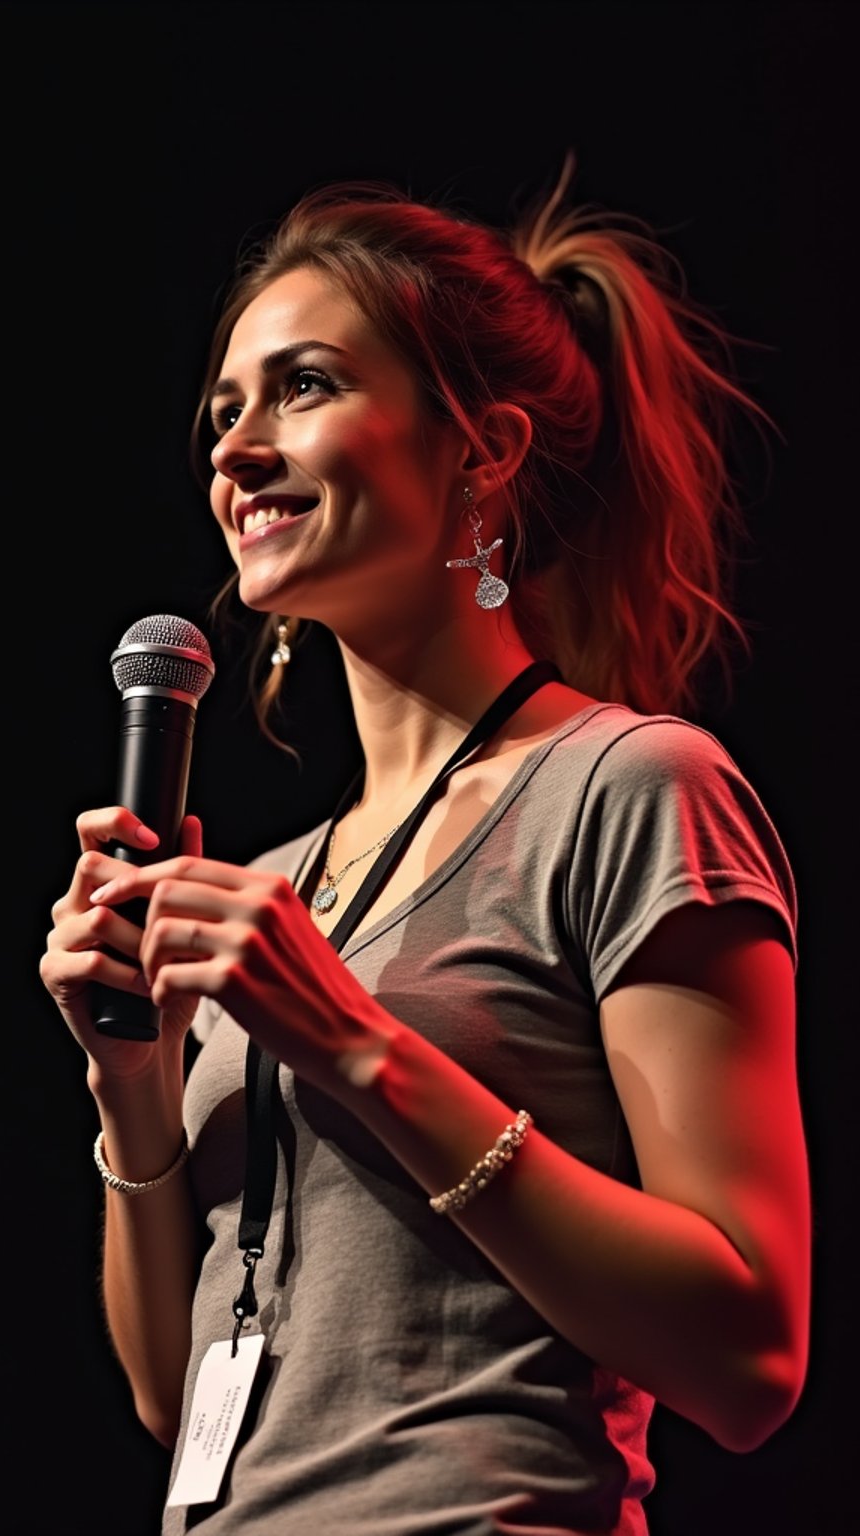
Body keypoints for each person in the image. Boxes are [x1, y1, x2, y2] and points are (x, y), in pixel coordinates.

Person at [39, 167, 811, 1535]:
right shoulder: (272, 891)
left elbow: (748, 1356)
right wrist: (135, 1085)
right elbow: (175, 1400)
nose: (232, 448)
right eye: (223, 409)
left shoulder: (631, 790)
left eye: (306, 386)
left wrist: (357, 1045)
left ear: (482, 450)